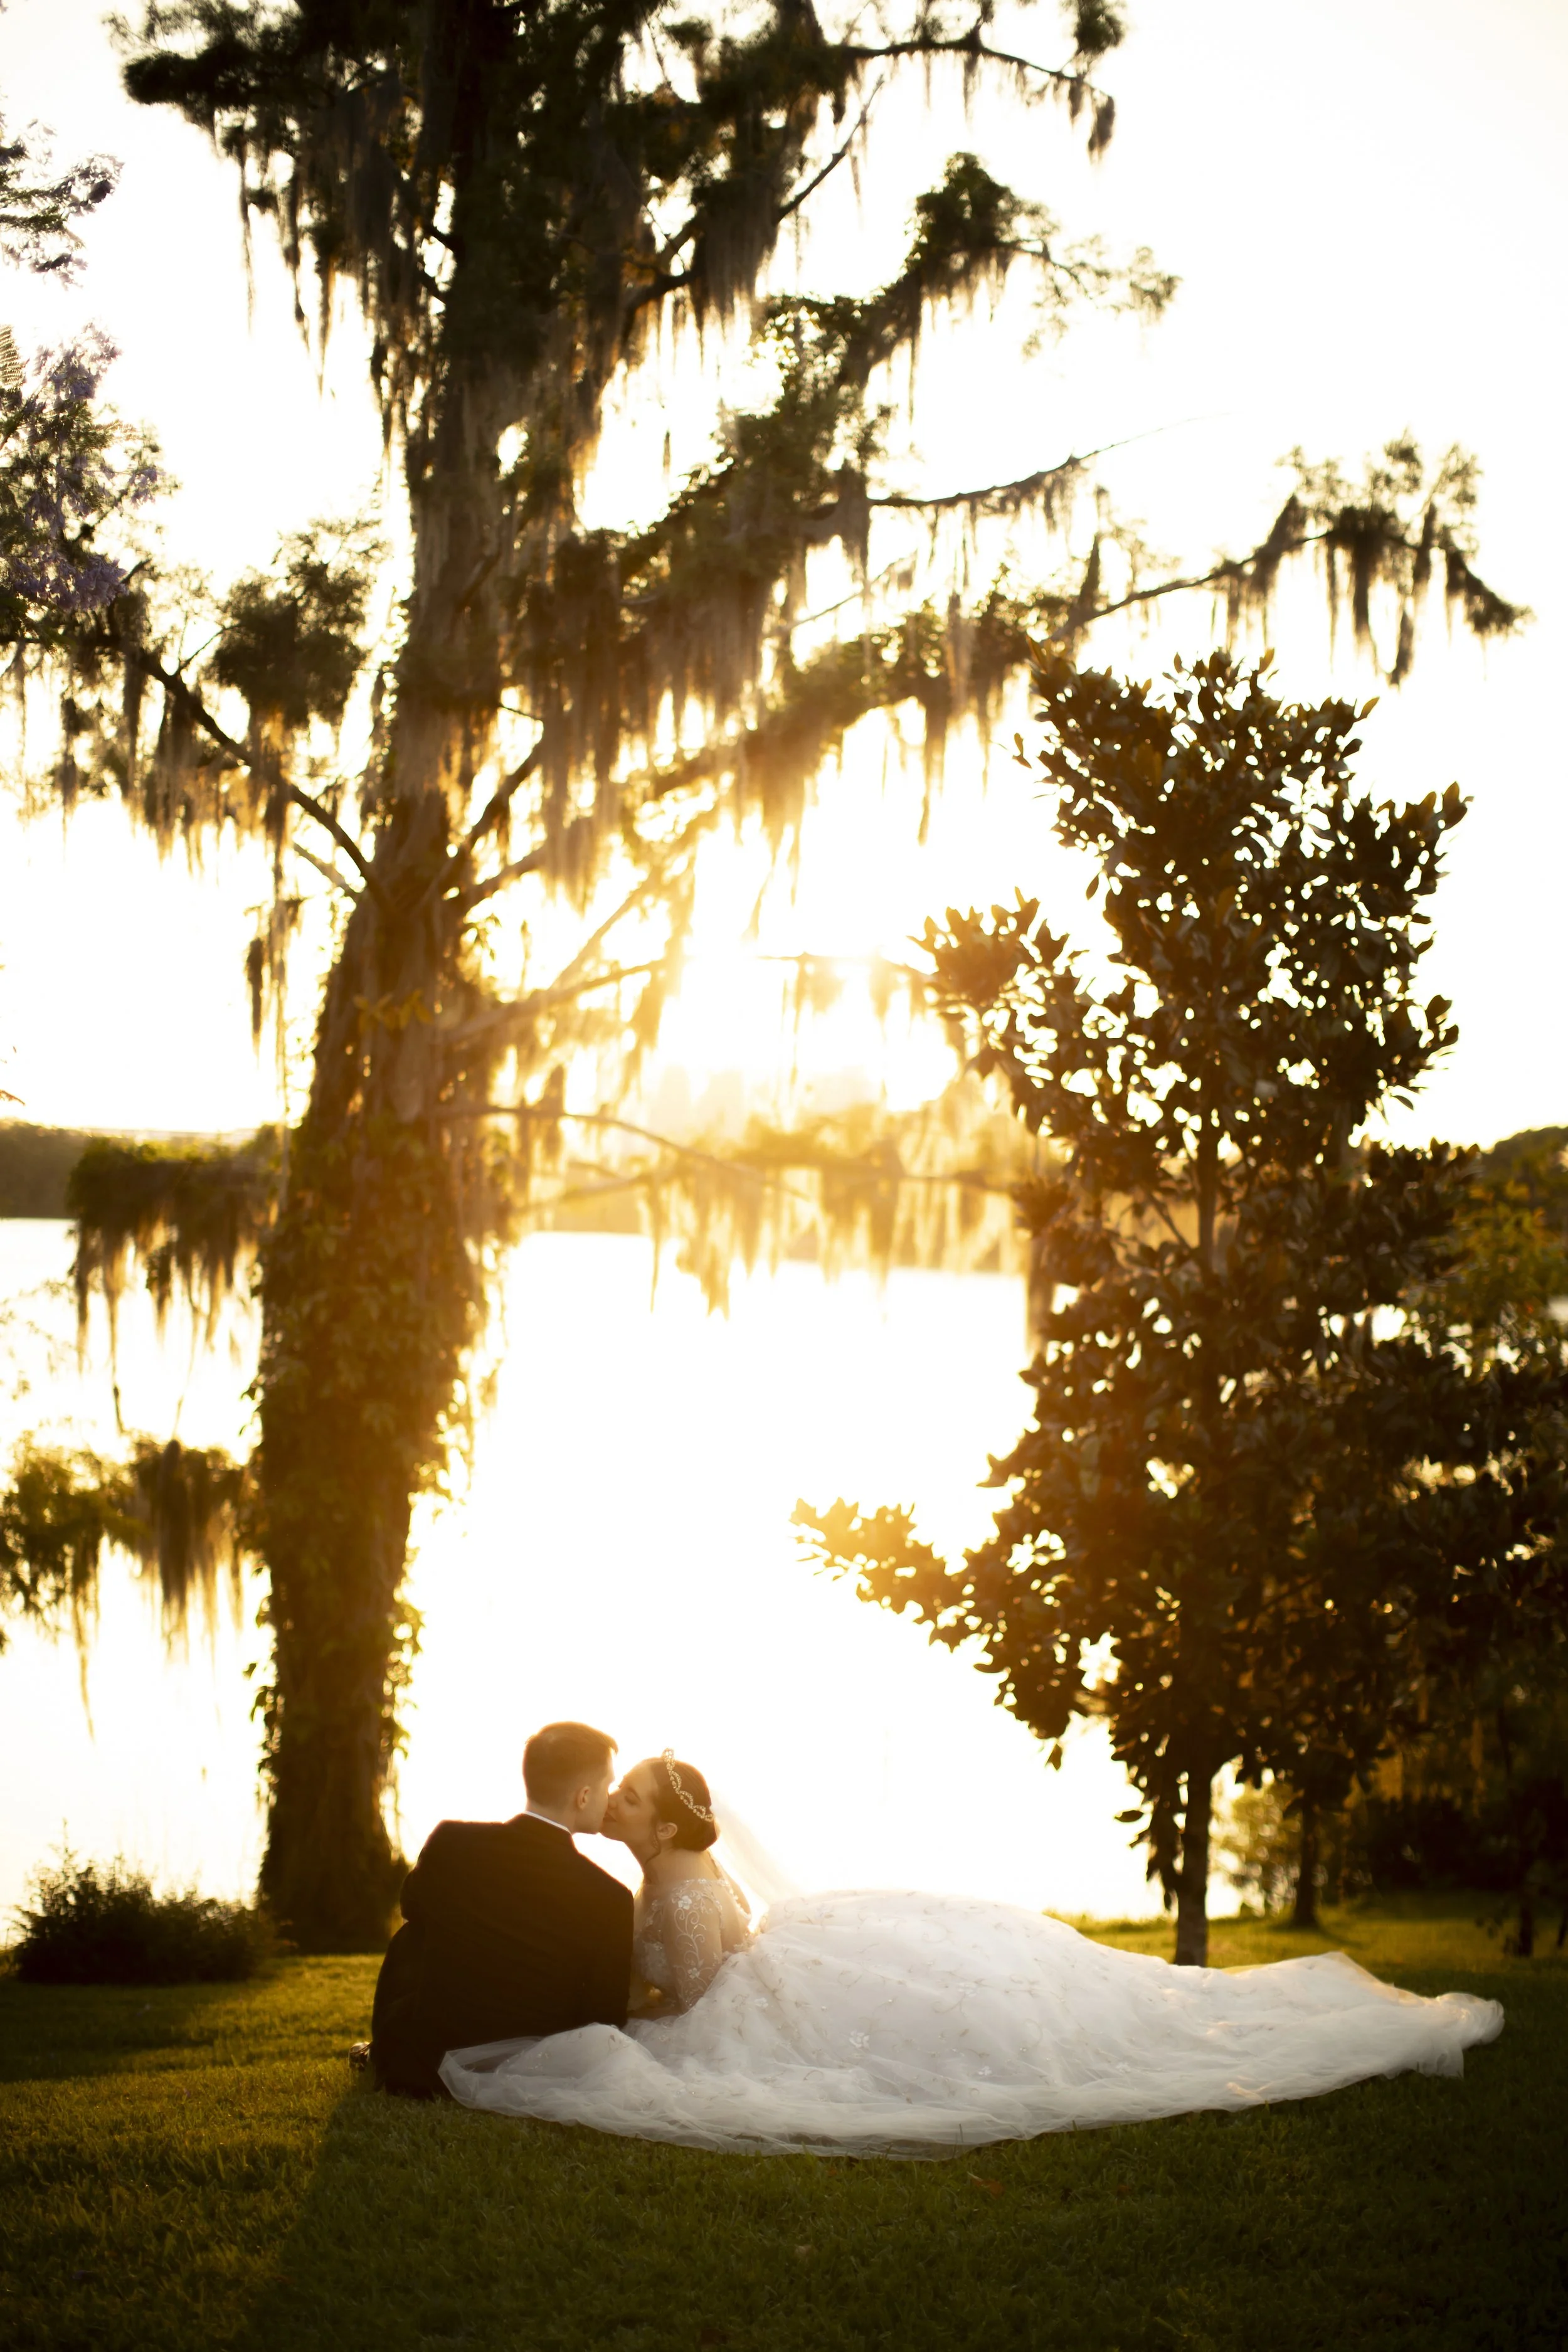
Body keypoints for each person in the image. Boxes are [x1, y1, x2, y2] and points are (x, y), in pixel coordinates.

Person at [439, 1751, 1506, 2156]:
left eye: (625, 1798)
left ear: (662, 1830)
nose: (613, 1803)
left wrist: (632, 2009)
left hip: (748, 1991)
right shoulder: (679, 1873)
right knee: (955, 1990)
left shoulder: (663, 1889)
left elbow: (695, 1987)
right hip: (787, 1954)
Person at [369, 1720, 632, 2098]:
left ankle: (394, 2041)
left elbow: (412, 1905)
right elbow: (606, 2017)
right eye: (609, 1786)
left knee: (416, 1932)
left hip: (427, 2060)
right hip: (536, 2065)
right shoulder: (611, 1897)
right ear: (584, 1796)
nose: (611, 1799)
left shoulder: (452, 1841)